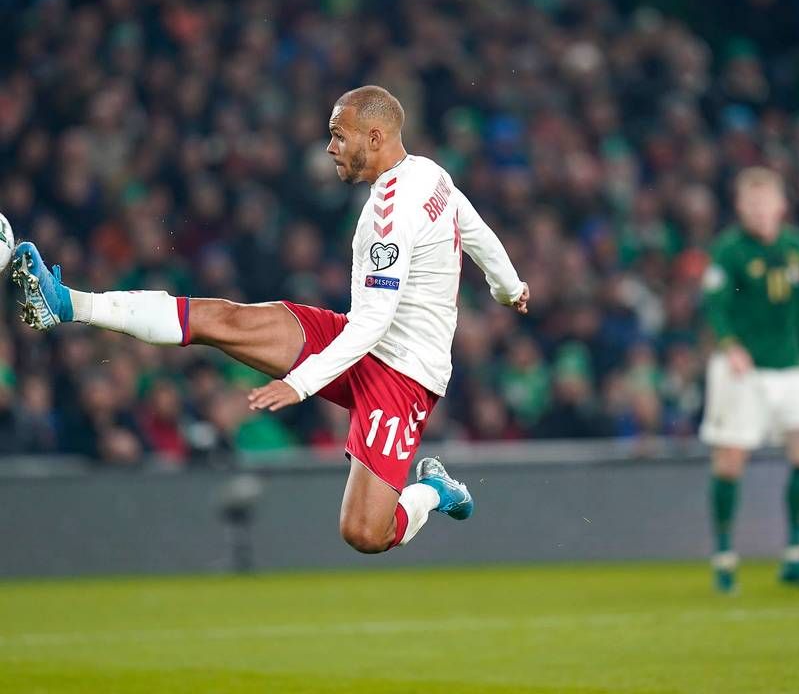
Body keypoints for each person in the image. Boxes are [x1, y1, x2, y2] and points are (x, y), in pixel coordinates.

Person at [12, 85, 530, 554]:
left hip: (404, 375)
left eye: (338, 136)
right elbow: (474, 225)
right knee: (227, 321)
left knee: (365, 534)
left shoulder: (387, 219)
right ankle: (69, 303)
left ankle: (432, 491)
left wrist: (299, 386)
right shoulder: (430, 173)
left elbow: (375, 321)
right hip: (358, 341)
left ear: (374, 136)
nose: (329, 147)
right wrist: (509, 287)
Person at [700, 167, 799, 593]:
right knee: (729, 461)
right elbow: (714, 305)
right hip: (742, 372)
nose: (760, 212)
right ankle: (725, 559)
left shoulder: (796, 246)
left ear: (781, 205)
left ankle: (795, 557)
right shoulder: (729, 251)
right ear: (740, 207)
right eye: (751, 204)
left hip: (789, 368)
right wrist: (729, 344)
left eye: (767, 203)